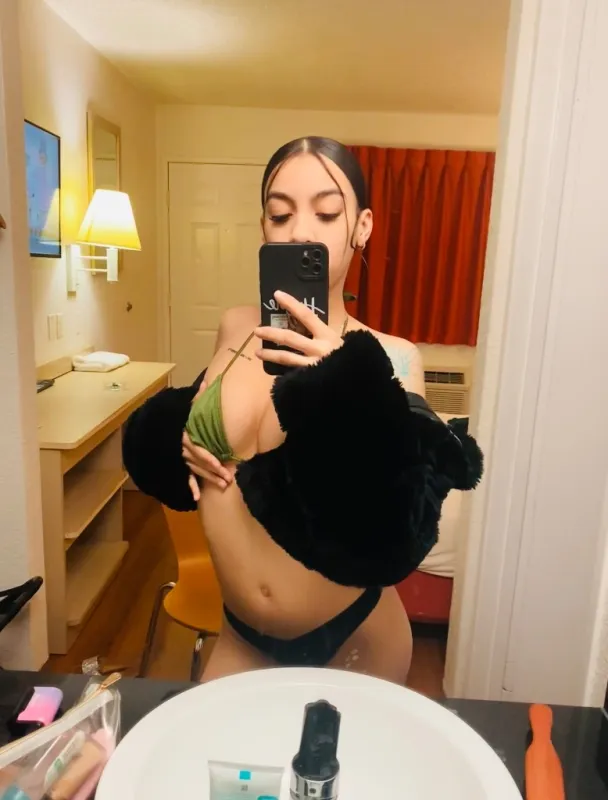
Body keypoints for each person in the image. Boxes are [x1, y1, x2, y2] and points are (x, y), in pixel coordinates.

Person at [123, 136, 483, 684]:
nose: (299, 232)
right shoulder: (235, 327)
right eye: (280, 214)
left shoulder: (393, 357)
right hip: (240, 634)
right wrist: (182, 440)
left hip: (356, 638)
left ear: (362, 226)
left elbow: (400, 530)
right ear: (263, 228)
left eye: (327, 212)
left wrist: (344, 385)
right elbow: (188, 437)